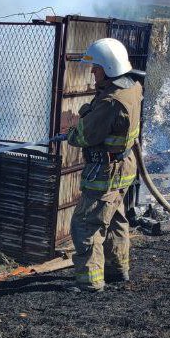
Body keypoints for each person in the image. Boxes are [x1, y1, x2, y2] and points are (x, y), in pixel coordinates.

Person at [62, 38, 142, 293]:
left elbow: (83, 137)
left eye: (95, 68)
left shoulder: (110, 102)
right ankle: (119, 270)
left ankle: (90, 282)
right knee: (115, 217)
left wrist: (77, 125)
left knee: (86, 224)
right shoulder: (132, 87)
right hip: (125, 165)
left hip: (105, 172)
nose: (92, 72)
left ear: (108, 68)